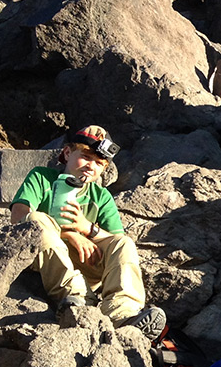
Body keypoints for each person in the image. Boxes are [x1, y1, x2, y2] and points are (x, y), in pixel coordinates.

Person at [10, 125, 165, 339]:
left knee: (124, 244)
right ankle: (77, 299)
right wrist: (70, 234)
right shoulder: (42, 178)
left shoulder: (100, 197)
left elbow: (115, 239)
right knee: (36, 219)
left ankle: (122, 314)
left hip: (87, 265)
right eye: (85, 157)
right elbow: (19, 217)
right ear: (67, 153)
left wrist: (87, 228)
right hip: (45, 257)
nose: (91, 166)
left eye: (99, 163)